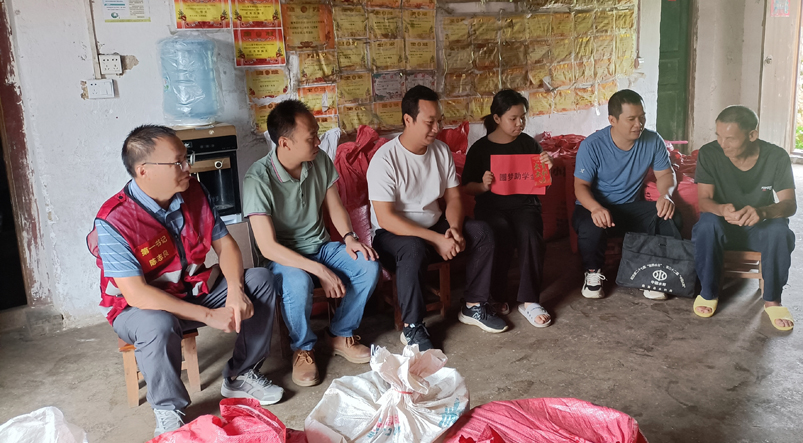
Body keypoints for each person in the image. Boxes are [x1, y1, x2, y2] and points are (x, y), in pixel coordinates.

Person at [87, 125, 283, 437]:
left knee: (259, 280)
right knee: (157, 324)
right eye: (177, 162)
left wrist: (234, 292)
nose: (187, 167)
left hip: (190, 288)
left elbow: (227, 246)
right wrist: (208, 315)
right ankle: (169, 410)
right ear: (144, 170)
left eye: (185, 158)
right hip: (138, 309)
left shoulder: (194, 192)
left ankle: (241, 375)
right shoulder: (114, 220)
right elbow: (137, 295)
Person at [244, 100, 380, 387]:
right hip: (282, 257)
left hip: (320, 247)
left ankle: (340, 333)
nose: (318, 142)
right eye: (311, 137)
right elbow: (268, 247)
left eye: (317, 134)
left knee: (367, 264)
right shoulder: (258, 178)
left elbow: (336, 206)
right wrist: (319, 270)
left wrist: (350, 238)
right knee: (297, 281)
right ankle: (303, 348)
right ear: (285, 143)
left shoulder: (319, 160)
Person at [368, 85, 508, 351]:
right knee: (413, 248)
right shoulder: (385, 159)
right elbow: (385, 218)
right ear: (408, 120)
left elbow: (454, 198)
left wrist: (454, 229)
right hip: (393, 236)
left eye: (439, 121)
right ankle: (412, 326)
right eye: (430, 122)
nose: (437, 128)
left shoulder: (441, 151)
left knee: (482, 232)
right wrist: (436, 239)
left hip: (434, 226)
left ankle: (474, 305)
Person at [692, 105, 796, 330]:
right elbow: (704, 201)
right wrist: (722, 210)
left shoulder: (776, 157)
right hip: (723, 228)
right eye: (719, 136)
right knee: (707, 224)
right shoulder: (709, 153)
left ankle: (773, 301)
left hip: (759, 229)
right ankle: (708, 293)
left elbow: (789, 204)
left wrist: (763, 212)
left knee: (779, 230)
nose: (723, 144)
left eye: (730, 138)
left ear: (752, 135)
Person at [571, 89, 682, 300]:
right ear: (612, 120)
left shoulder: (653, 140)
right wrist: (596, 208)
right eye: (631, 119)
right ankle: (593, 273)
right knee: (590, 225)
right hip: (594, 207)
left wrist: (666, 195)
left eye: (642, 117)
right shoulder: (592, 145)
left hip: (629, 209)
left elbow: (666, 174)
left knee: (670, 215)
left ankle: (658, 273)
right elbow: (581, 186)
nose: (639, 124)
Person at [461, 89, 554, 328]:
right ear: (497, 118)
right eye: (513, 118)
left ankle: (530, 301)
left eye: (522, 117)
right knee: (496, 232)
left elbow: (543, 182)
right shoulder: (480, 149)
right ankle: (496, 295)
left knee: (530, 232)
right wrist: (483, 185)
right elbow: (467, 187)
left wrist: (547, 167)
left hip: (525, 206)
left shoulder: (529, 144)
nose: (519, 123)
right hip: (492, 208)